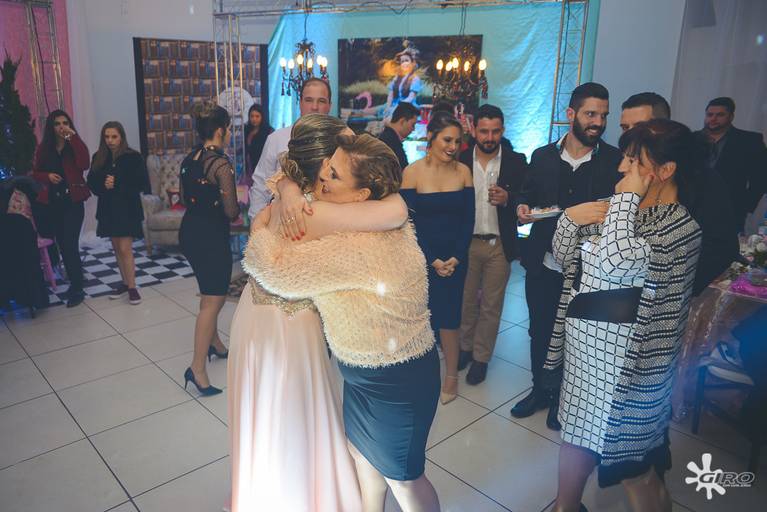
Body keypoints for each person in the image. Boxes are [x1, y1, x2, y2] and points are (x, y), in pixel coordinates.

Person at [248, 133, 440, 512]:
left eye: (334, 174)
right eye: (327, 165)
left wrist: (258, 228)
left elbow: (273, 271)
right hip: (361, 375)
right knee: (362, 457)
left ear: (360, 195)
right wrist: (288, 187)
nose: (323, 176)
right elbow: (291, 180)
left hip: (396, 379)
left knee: (403, 479)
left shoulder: (358, 244)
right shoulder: (371, 212)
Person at [544, 119, 702, 512]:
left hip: (627, 371)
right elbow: (564, 258)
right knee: (575, 437)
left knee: (633, 468)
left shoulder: (679, 228)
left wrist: (625, 200)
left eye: (633, 162)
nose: (621, 168)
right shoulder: (616, 209)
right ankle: (565, 506)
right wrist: (569, 219)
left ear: (665, 171)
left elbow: (614, 262)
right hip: (584, 359)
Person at [511, 82, 622, 430]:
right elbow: (527, 195)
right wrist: (521, 207)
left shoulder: (614, 161)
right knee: (539, 330)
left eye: (603, 115)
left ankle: (564, 397)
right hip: (543, 263)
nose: (598, 122)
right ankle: (540, 390)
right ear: (571, 114)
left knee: (575, 338)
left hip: (587, 271)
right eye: (590, 114)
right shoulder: (542, 156)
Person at [620, 92, 738, 295]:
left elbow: (720, 248)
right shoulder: (626, 170)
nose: (631, 134)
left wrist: (675, 289)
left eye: (640, 126)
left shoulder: (703, 180)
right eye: (625, 127)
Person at [401, 112, 475, 404]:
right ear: (431, 137)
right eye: (447, 140)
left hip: (455, 259)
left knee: (450, 320)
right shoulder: (412, 172)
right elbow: (408, 224)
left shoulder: (463, 172)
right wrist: (431, 259)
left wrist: (456, 256)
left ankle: (451, 377)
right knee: (422, 319)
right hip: (422, 259)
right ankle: (421, 377)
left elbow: (468, 220)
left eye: (457, 141)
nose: (453, 146)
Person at [456, 104, 527, 385]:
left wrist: (509, 198)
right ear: (474, 130)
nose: (489, 137)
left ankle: (481, 358)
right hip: (467, 242)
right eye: (484, 131)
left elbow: (527, 195)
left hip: (500, 243)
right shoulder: (461, 160)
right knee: (465, 301)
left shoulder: (516, 161)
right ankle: (464, 348)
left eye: (495, 131)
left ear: (503, 130)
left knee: (491, 305)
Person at [179, 101, 240, 395]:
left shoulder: (190, 158)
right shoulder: (220, 164)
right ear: (219, 130)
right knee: (213, 300)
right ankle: (197, 368)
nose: (229, 133)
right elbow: (231, 211)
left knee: (207, 292)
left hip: (189, 232)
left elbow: (184, 197)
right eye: (228, 128)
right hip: (211, 236)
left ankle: (215, 343)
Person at [31, 110, 91, 308]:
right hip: (53, 203)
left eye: (65, 122)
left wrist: (73, 138)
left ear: (70, 125)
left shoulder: (74, 144)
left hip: (73, 201)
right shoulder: (44, 148)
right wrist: (47, 176)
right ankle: (75, 282)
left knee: (70, 244)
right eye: (57, 123)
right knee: (62, 244)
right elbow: (35, 172)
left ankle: (78, 288)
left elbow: (84, 163)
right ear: (51, 127)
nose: (61, 127)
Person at [248, 78, 332, 218]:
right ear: (300, 103)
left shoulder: (339, 141)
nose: (314, 107)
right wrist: (257, 222)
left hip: (325, 221)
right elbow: (260, 186)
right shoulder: (277, 139)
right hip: (281, 221)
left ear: (329, 105)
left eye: (321, 101)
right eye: (309, 100)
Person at [87, 121, 150, 305]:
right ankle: (125, 283)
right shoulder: (99, 157)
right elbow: (92, 183)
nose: (110, 140)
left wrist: (117, 183)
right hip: (108, 210)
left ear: (121, 137)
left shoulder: (133, 157)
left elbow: (142, 183)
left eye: (114, 136)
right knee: (116, 248)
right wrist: (103, 184)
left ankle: (132, 287)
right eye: (107, 136)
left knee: (125, 248)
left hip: (128, 209)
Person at [694, 97, 767, 233]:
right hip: (692, 210)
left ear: (731, 116)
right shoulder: (691, 139)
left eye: (720, 115)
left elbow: (761, 178)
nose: (713, 119)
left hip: (730, 212)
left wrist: (745, 206)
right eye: (710, 115)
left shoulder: (749, 141)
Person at [379, 102, 419, 170]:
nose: (414, 129)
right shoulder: (391, 142)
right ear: (402, 121)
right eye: (413, 125)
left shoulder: (389, 137)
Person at [242, 103, 274, 187]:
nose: (254, 119)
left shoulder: (268, 131)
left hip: (263, 167)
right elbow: (245, 148)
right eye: (252, 116)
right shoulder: (246, 130)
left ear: (262, 117)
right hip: (249, 166)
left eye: (257, 116)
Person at [385, 47, 422, 114]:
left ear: (412, 63)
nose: (404, 63)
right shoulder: (397, 78)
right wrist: (388, 107)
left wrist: (396, 108)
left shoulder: (415, 79)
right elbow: (390, 95)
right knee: (375, 111)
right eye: (402, 62)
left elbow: (410, 98)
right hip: (394, 105)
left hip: (407, 107)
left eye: (406, 61)